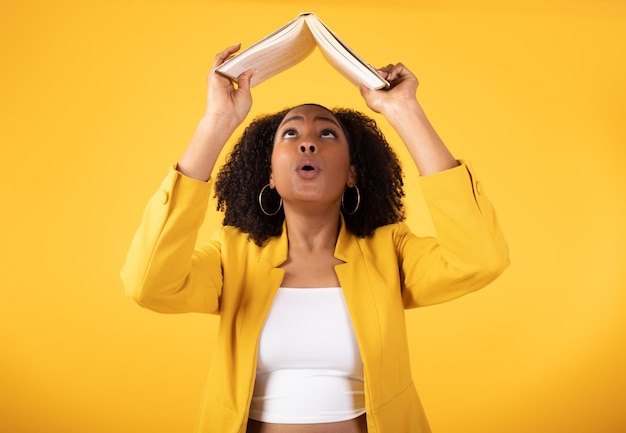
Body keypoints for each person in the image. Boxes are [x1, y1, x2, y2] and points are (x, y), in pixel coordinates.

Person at [121, 43, 509, 433]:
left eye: (327, 134)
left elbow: (480, 258)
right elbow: (149, 284)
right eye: (290, 134)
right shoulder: (232, 255)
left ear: (353, 173)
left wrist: (403, 110)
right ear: (270, 175)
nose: (308, 142)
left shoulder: (389, 250)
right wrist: (217, 120)